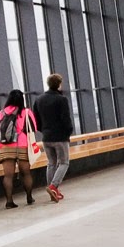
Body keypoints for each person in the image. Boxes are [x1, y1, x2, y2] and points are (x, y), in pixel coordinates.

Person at [33, 74, 74, 202]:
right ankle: (53, 186)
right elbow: (66, 120)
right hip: (60, 137)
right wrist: (68, 133)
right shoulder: (62, 100)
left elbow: (36, 120)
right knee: (64, 162)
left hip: (46, 137)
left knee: (51, 163)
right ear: (59, 84)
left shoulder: (39, 99)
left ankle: (52, 190)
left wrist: (44, 130)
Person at [0, 89, 38, 209]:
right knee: (26, 173)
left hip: (5, 146)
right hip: (22, 145)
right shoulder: (26, 112)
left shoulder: (1, 113)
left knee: (8, 176)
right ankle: (29, 197)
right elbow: (33, 127)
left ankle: (9, 201)